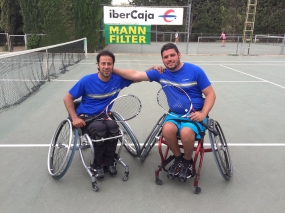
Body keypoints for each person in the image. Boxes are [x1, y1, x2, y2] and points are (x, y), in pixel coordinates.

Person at [113, 43, 216, 181]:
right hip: (174, 114)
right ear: (162, 60)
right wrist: (112, 69)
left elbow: (210, 94)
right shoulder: (160, 73)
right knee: (167, 130)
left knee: (186, 132)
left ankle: (187, 160)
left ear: (179, 55)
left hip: (194, 114)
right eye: (165, 57)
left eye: (172, 55)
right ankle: (178, 158)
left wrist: (203, 113)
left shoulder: (195, 71)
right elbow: (135, 74)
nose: (169, 59)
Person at [63, 50, 134, 180]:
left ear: (113, 65)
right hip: (86, 118)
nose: (106, 67)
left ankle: (109, 161)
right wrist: (74, 118)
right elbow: (68, 97)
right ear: (98, 65)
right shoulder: (87, 80)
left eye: (109, 64)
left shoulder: (117, 80)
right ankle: (98, 164)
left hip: (104, 116)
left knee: (113, 127)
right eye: (103, 64)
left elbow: (137, 77)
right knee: (100, 130)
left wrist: (153, 70)